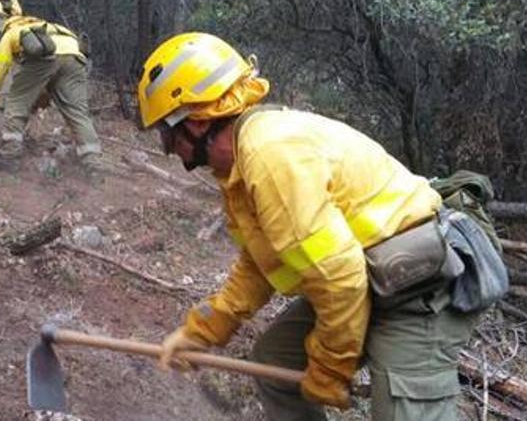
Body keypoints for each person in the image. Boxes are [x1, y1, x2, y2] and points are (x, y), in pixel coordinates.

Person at [139, 33, 481, 420]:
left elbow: (339, 278)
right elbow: (260, 265)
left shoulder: (269, 157)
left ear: (197, 123)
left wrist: (330, 367)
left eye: (168, 138)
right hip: (370, 278)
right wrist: (202, 332)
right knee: (276, 362)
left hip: (420, 285)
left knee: (404, 412)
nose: (171, 151)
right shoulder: (243, 164)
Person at [0, 15, 106, 173]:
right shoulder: (53, 28)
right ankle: (93, 164)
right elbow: (51, 78)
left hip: (45, 58)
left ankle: (9, 155)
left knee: (16, 101)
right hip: (75, 57)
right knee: (78, 113)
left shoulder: (11, 34)